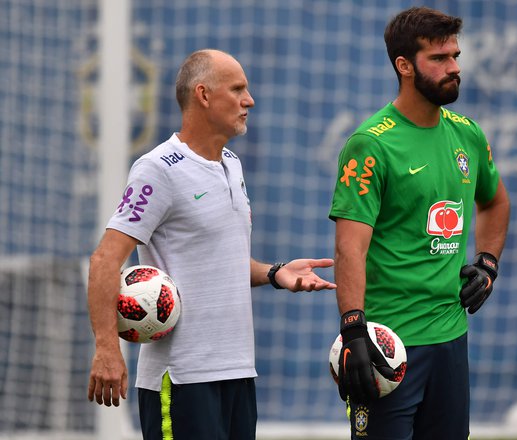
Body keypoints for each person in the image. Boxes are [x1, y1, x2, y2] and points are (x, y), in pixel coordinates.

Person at [87, 49, 337, 440]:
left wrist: (274, 273)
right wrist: (106, 347)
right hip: (182, 377)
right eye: (238, 89)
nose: (249, 100)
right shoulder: (158, 169)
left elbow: (216, 262)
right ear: (203, 95)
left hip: (237, 373)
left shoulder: (232, 165)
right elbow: (104, 259)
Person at [329, 7, 510, 440]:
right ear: (404, 66)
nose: (455, 68)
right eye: (440, 59)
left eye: (455, 56)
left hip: (451, 337)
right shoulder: (370, 143)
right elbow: (348, 248)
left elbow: (495, 202)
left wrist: (486, 264)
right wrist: (354, 331)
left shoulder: (467, 134)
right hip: (390, 345)